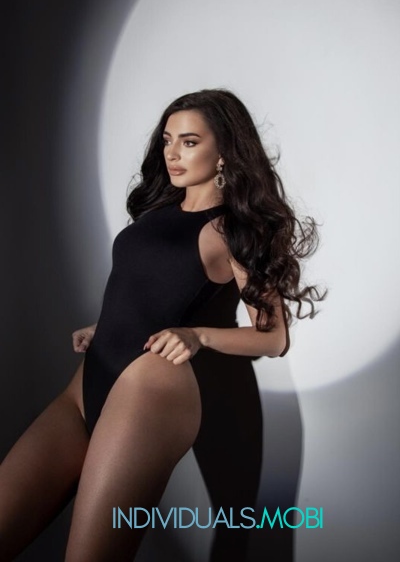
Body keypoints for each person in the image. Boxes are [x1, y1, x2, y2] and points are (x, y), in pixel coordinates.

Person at [0, 89, 325, 561]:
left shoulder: (231, 230)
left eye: (189, 142)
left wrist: (197, 336)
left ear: (224, 151)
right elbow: (152, 290)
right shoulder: (157, 213)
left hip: (147, 390)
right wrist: (107, 326)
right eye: (168, 140)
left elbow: (273, 337)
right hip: (87, 383)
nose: (172, 153)